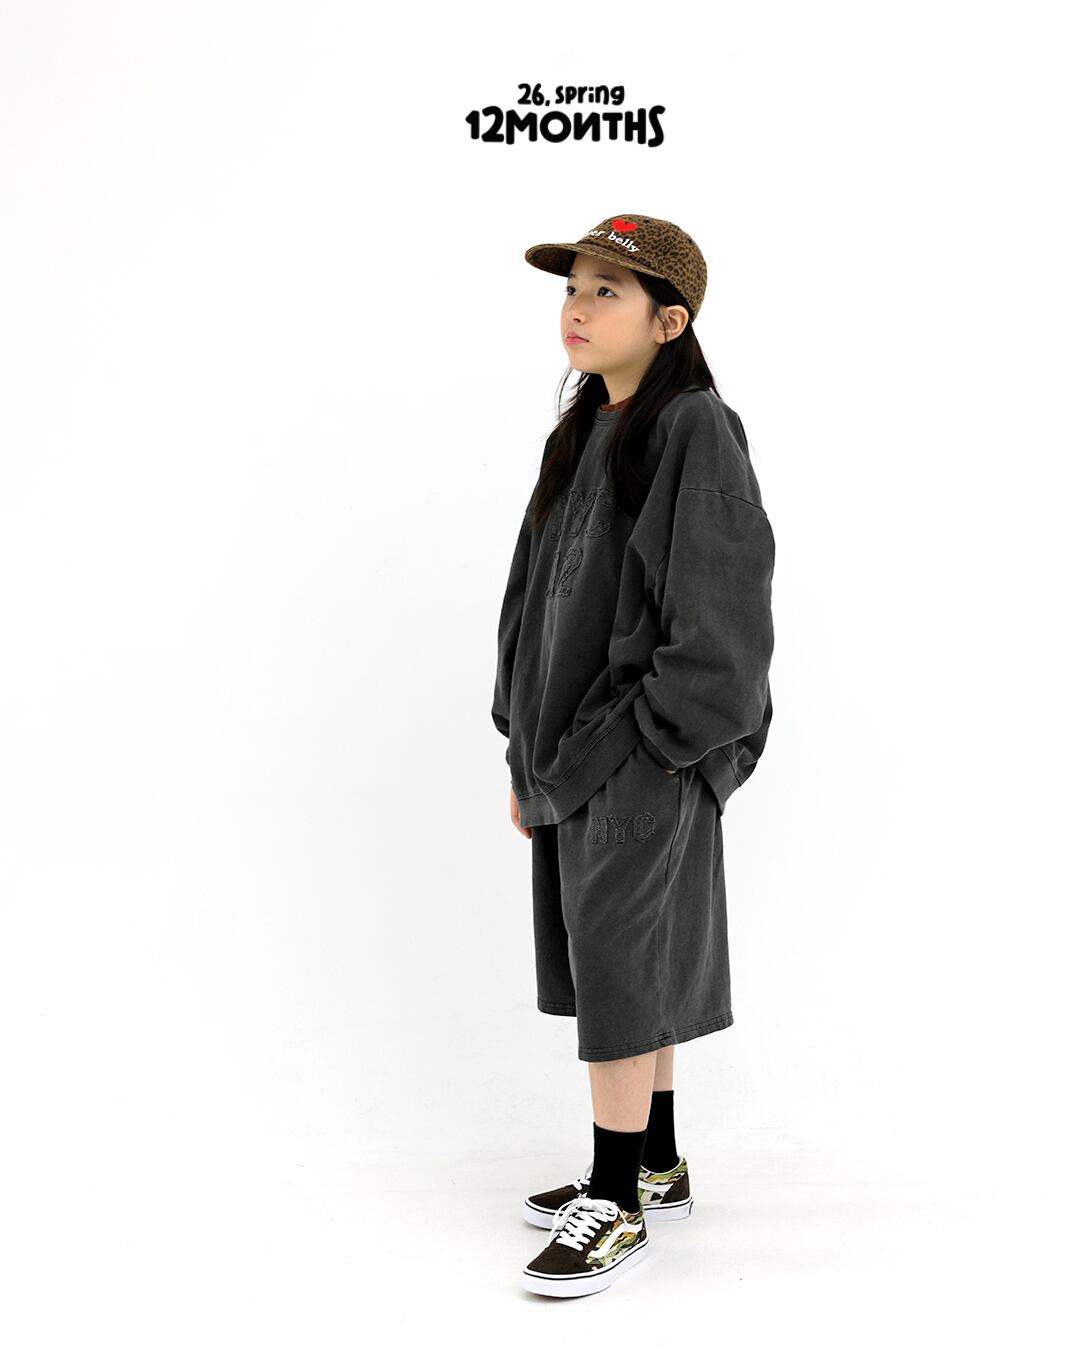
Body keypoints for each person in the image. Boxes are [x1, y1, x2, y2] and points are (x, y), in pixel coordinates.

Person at [491, 214, 776, 1298]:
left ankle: (614, 1200)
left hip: (637, 754)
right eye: (574, 286)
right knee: (622, 958)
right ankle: (654, 1162)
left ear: (670, 321)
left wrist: (651, 744)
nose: (577, 306)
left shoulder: (694, 427)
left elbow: (724, 620)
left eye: (607, 290)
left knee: (617, 963)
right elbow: (531, 599)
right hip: (572, 758)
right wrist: (525, 751)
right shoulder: (583, 432)